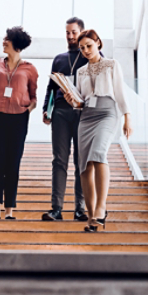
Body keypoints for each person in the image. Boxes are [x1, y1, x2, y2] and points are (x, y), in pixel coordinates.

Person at [63, 29, 132, 232]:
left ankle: (101, 208)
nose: (85, 50)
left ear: (98, 43)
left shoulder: (111, 64)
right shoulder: (81, 71)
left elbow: (119, 91)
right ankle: (92, 216)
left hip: (107, 113)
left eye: (89, 46)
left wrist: (128, 117)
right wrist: (72, 102)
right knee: (84, 165)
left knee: (98, 154)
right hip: (86, 116)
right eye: (82, 47)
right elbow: (81, 100)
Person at [0, 26, 38, 220]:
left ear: (17, 44)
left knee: (13, 163)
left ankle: (10, 210)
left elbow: (34, 97)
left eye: (7, 39)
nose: (3, 42)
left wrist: (26, 110)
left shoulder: (29, 69)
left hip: (18, 119)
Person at [41, 17, 90, 221]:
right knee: (59, 160)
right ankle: (56, 209)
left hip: (82, 112)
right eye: (67, 32)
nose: (70, 36)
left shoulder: (90, 55)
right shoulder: (59, 59)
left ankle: (80, 208)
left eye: (74, 32)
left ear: (82, 32)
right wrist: (47, 109)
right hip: (60, 112)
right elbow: (51, 87)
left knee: (81, 162)